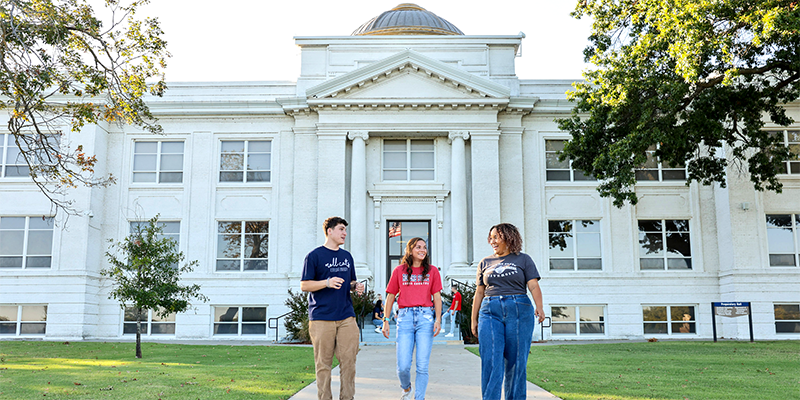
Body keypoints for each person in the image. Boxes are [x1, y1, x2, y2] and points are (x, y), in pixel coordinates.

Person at [471, 223, 545, 400]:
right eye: (491, 237)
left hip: (519, 309)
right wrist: (474, 319)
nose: (492, 241)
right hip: (489, 311)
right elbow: (479, 292)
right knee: (490, 360)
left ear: (508, 237)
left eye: (496, 237)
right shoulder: (484, 262)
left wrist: (539, 307)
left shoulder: (523, 259)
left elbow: (533, 285)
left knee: (516, 362)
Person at [300, 216, 365, 400]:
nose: (345, 233)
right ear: (329, 231)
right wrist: (326, 282)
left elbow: (350, 281)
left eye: (345, 230)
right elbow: (305, 285)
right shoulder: (314, 256)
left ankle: (347, 398)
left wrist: (355, 286)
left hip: (346, 316)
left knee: (349, 363)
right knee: (323, 365)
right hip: (321, 317)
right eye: (341, 229)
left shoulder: (346, 256)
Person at [382, 237, 442, 400]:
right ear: (410, 250)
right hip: (405, 319)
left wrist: (438, 320)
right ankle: (406, 387)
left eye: (424, 247)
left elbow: (437, 297)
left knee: (422, 366)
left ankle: (419, 398)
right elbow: (390, 296)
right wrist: (386, 320)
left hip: (425, 318)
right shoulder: (399, 270)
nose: (422, 250)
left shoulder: (433, 271)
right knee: (403, 367)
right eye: (418, 247)